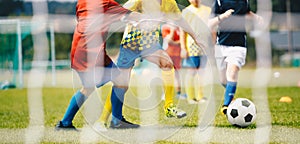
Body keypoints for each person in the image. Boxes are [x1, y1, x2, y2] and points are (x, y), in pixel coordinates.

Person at [95, 0, 205, 130]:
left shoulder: (170, 3)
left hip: (150, 44)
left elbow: (181, 21)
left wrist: (195, 37)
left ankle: (169, 106)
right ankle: (102, 121)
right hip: (131, 43)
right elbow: (122, 11)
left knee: (167, 64)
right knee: (121, 84)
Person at [55, 0, 144, 131]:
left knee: (88, 88)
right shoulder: (106, 2)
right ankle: (117, 121)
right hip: (92, 52)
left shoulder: (81, 2)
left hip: (77, 49)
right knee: (121, 81)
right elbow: (130, 16)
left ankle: (65, 123)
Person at [211, 0, 262, 115]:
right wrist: (223, 16)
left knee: (232, 73)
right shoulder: (219, 1)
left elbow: (246, 12)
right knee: (223, 79)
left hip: (238, 45)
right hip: (221, 45)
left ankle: (226, 105)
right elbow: (210, 22)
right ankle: (230, 95)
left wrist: (256, 17)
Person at [180, 0, 212, 104]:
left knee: (202, 72)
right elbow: (182, 31)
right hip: (191, 46)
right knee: (192, 71)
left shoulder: (208, 10)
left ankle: (200, 96)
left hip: (205, 46)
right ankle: (190, 98)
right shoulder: (186, 11)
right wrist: (183, 48)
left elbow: (212, 29)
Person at [161, 24, 185, 99]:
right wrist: (172, 30)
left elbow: (182, 40)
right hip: (168, 54)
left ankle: (178, 93)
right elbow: (169, 41)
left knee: (177, 74)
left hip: (177, 55)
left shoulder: (180, 28)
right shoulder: (165, 27)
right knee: (167, 74)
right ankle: (165, 94)